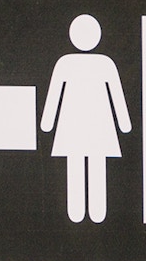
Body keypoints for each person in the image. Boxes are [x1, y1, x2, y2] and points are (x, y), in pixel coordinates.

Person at [40, 14, 132, 223]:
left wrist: (47, 123)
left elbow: (116, 95)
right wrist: (124, 124)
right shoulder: (99, 63)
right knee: (82, 165)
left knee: (86, 164)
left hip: (81, 127)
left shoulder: (72, 63)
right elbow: (55, 94)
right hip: (90, 127)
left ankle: (88, 211)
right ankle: (83, 211)